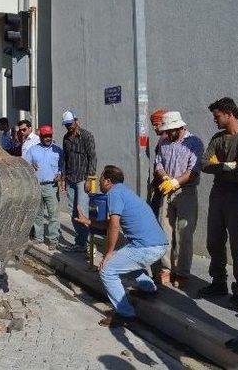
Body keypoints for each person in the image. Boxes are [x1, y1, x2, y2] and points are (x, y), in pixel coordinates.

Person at [74, 165, 168, 327]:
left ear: (108, 181)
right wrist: (88, 221)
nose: (100, 182)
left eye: (102, 178)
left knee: (107, 270)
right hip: (157, 244)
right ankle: (148, 288)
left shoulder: (114, 194)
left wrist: (108, 253)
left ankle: (125, 313)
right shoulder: (123, 191)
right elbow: (110, 222)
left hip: (146, 247)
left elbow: (114, 226)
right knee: (125, 261)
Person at [198, 98, 238, 309]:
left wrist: (223, 168)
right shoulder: (218, 138)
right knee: (214, 240)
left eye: (217, 116)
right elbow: (204, 163)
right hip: (218, 194)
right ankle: (218, 282)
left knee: (237, 245)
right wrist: (225, 166)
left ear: (229, 114)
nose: (215, 120)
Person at [151, 111, 204, 289]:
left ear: (180, 127)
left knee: (184, 234)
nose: (169, 133)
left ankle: (182, 272)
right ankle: (166, 268)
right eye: (167, 130)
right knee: (164, 230)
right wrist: (165, 177)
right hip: (167, 191)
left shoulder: (194, 143)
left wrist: (176, 181)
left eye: (172, 130)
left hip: (186, 191)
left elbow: (194, 169)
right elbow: (158, 163)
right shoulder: (164, 142)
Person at [60, 110, 97, 253]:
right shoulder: (66, 138)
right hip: (70, 178)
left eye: (70, 123)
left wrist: (90, 178)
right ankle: (80, 243)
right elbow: (66, 159)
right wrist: (63, 177)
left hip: (83, 179)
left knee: (83, 211)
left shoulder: (87, 136)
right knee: (73, 212)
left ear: (76, 121)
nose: (68, 126)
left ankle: (87, 244)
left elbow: (92, 157)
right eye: (66, 124)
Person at [24, 125, 63, 250]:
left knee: (53, 215)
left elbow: (63, 167)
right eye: (45, 136)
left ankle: (53, 240)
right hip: (36, 186)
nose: (48, 138)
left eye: (49, 136)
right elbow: (25, 165)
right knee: (38, 213)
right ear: (40, 136)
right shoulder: (32, 150)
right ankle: (38, 237)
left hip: (51, 186)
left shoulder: (58, 151)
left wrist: (60, 174)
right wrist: (30, 166)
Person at [148, 108, 168, 215]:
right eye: (153, 125)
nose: (154, 128)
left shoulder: (164, 139)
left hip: (163, 183)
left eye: (157, 124)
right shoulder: (163, 138)